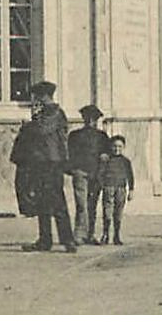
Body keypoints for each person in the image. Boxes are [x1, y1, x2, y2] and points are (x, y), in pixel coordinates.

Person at [10, 81, 76, 252]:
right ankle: (45, 240)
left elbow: (42, 130)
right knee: (42, 203)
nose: (36, 99)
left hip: (52, 163)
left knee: (57, 202)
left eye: (38, 95)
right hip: (41, 162)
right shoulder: (45, 113)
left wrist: (28, 126)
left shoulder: (54, 112)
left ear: (45, 96)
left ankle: (68, 240)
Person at [67, 104, 111, 244]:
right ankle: (80, 234)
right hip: (80, 172)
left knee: (91, 205)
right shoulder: (74, 135)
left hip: (96, 173)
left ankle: (89, 234)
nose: (91, 121)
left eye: (93, 119)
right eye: (88, 118)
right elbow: (69, 154)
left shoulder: (102, 137)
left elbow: (107, 155)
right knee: (82, 204)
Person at [97, 135, 134, 246]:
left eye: (119, 146)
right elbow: (100, 174)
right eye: (114, 146)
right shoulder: (106, 160)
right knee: (107, 213)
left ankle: (116, 235)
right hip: (109, 188)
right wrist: (102, 185)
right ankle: (105, 234)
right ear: (110, 147)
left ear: (123, 147)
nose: (116, 149)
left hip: (121, 189)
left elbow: (130, 176)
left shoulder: (126, 161)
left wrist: (131, 190)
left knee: (118, 213)